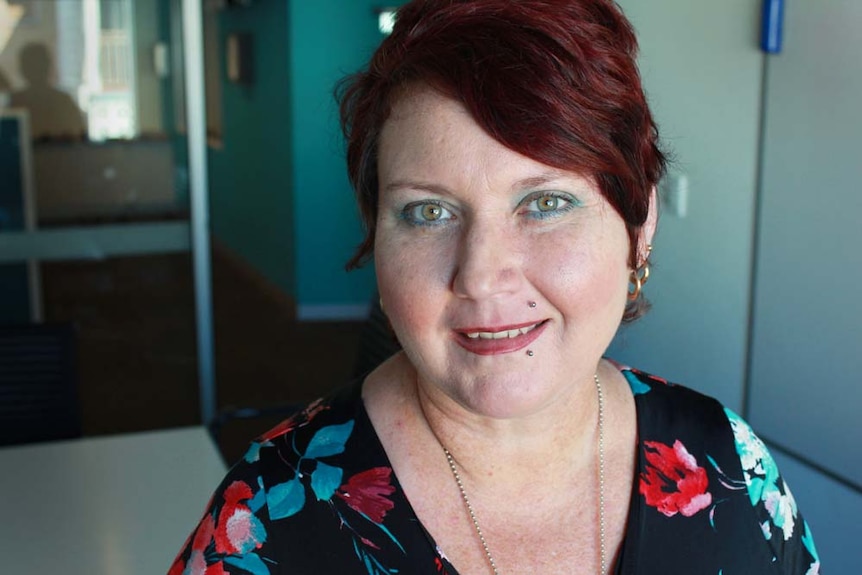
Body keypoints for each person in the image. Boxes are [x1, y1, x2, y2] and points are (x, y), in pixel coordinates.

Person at [170, 1, 819, 573]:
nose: (480, 273)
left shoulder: (730, 465)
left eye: (544, 203)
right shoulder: (266, 521)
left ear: (638, 223)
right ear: (376, 233)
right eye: (428, 212)